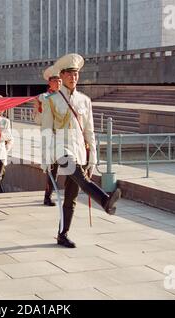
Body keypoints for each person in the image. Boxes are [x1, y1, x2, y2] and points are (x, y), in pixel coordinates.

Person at [41, 54, 121, 248]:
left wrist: (92, 157)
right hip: (62, 150)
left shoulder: (85, 101)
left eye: (75, 74)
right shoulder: (51, 100)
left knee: (71, 196)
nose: (73, 77)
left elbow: (89, 131)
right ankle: (105, 200)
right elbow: (46, 131)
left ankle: (63, 234)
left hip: (79, 150)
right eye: (69, 73)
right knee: (83, 181)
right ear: (61, 75)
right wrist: (45, 159)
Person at [34, 66, 62, 206]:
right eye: (55, 81)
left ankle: (58, 194)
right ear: (49, 83)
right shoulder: (44, 97)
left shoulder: (64, 97)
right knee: (52, 168)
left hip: (63, 137)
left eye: (60, 81)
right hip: (50, 138)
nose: (58, 84)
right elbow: (38, 119)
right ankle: (48, 196)